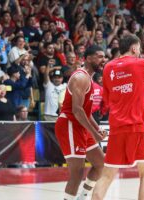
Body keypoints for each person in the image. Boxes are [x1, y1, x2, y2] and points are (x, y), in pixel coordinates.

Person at [92, 34, 144, 200]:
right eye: (139, 49)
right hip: (139, 126)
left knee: (106, 176)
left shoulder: (108, 67)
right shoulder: (142, 63)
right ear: (134, 48)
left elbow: (110, 96)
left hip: (117, 127)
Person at [55, 45, 107, 200]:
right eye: (99, 56)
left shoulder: (89, 79)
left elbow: (86, 111)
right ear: (88, 58)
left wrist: (97, 130)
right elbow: (77, 110)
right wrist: (93, 133)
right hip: (69, 124)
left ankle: (82, 196)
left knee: (100, 163)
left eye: (104, 56)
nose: (103, 60)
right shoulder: (80, 78)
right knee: (77, 172)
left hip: (80, 124)